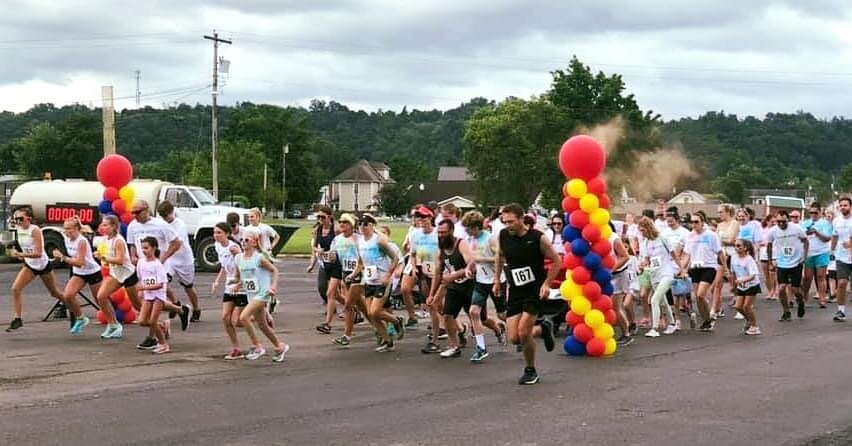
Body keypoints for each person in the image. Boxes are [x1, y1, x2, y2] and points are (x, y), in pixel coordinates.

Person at [493, 203, 561, 385]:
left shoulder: (538, 238)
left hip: (534, 290)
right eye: (504, 222)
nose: (508, 225)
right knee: (514, 338)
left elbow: (556, 261)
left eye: (511, 222)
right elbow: (500, 256)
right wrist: (497, 280)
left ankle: (531, 370)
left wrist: (547, 284)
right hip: (515, 290)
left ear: (522, 219)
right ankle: (543, 329)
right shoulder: (503, 235)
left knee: (524, 332)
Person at [127, 200, 189, 349]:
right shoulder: (132, 226)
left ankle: (152, 336)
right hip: (144, 267)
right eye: (133, 213)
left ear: (147, 210)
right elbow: (132, 244)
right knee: (149, 300)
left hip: (160, 267)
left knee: (151, 298)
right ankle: (179, 310)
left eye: (138, 212)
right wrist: (133, 256)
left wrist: (163, 258)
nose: (135, 216)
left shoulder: (160, 225)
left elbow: (176, 242)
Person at [232, 226, 289, 362]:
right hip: (251, 294)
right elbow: (243, 278)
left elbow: (274, 270)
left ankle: (257, 347)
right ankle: (279, 346)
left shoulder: (259, 258)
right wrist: (236, 284)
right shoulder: (238, 258)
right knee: (263, 325)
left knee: (244, 317)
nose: (243, 242)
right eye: (241, 240)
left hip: (263, 293)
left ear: (254, 242)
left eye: (246, 240)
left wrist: (273, 286)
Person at [6, 207, 67, 332]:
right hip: (30, 265)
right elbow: (23, 248)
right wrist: (16, 252)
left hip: (43, 265)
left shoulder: (35, 230)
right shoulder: (19, 229)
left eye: (20, 218)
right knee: (15, 288)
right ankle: (18, 318)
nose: (18, 221)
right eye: (15, 219)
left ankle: (71, 305)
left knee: (54, 292)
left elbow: (38, 253)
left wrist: (21, 255)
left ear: (28, 218)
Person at [353, 213, 402, 352]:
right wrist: (353, 275)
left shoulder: (379, 241)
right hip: (369, 281)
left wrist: (388, 275)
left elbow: (395, 259)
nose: (362, 227)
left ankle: (396, 321)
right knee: (371, 315)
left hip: (382, 280)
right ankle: (388, 341)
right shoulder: (360, 241)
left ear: (371, 226)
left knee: (375, 312)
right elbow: (361, 262)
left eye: (366, 224)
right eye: (360, 224)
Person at [462, 211, 507, 362]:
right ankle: (481, 348)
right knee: (474, 312)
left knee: (502, 314)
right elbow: (473, 258)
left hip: (497, 280)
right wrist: (469, 267)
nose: (466, 232)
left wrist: (482, 259)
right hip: (481, 281)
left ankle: (517, 333)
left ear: (476, 227)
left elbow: (500, 258)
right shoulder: (471, 239)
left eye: (468, 228)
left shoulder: (490, 239)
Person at [427, 220, 475, 358]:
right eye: (439, 233)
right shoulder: (441, 249)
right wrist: (431, 294)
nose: (441, 235)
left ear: (451, 231)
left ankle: (496, 329)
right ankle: (454, 346)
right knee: (448, 315)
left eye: (444, 232)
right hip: (454, 287)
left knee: (478, 317)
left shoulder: (461, 244)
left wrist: (454, 275)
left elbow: (471, 265)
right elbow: (437, 273)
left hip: (469, 285)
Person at [94, 215, 141, 339]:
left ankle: (161, 324)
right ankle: (114, 325)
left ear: (114, 226)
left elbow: (120, 260)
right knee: (101, 296)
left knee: (138, 306)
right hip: (116, 274)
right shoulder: (105, 239)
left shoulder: (118, 240)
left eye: (106, 225)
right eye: (102, 225)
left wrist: (104, 258)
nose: (103, 227)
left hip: (128, 275)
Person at [53, 217, 102, 335]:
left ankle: (114, 323)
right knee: (68, 295)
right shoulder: (66, 239)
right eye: (65, 229)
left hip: (92, 272)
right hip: (79, 273)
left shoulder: (82, 241)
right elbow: (75, 262)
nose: (66, 231)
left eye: (69, 228)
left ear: (76, 229)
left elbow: (80, 262)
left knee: (100, 300)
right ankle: (81, 317)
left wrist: (62, 257)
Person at [157, 201, 201, 321]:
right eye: (163, 217)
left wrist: (164, 256)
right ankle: (175, 302)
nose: (165, 219)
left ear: (172, 212)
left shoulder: (179, 224)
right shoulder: (161, 224)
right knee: (163, 282)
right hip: (169, 259)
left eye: (167, 216)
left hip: (183, 259)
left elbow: (177, 244)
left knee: (188, 287)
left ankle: (196, 308)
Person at [211, 222, 248, 359]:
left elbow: (244, 263)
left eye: (219, 232)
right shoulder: (217, 246)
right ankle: (236, 348)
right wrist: (217, 280)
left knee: (238, 321)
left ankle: (261, 319)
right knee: (225, 318)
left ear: (227, 234)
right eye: (215, 232)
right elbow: (223, 266)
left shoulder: (233, 248)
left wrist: (239, 281)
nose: (216, 235)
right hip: (229, 285)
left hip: (240, 285)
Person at [637, 217, 677, 338]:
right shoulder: (644, 243)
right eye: (640, 230)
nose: (641, 232)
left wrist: (682, 269)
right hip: (654, 274)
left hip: (667, 273)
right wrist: (643, 264)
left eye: (643, 230)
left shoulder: (662, 239)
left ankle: (654, 328)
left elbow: (674, 254)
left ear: (649, 228)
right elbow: (647, 259)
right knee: (663, 302)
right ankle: (672, 323)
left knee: (654, 300)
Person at [766, 210, 808, 321]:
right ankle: (786, 311)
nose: (780, 224)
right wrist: (771, 261)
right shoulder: (773, 231)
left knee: (795, 289)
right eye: (778, 221)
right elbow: (769, 245)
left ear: (787, 220)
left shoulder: (796, 228)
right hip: (782, 263)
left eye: (783, 221)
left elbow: (805, 241)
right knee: (781, 288)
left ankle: (800, 301)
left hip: (796, 262)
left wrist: (804, 256)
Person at [331, 214, 365, 347]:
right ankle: (380, 328)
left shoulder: (358, 239)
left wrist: (356, 272)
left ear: (351, 225)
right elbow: (334, 257)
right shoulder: (337, 239)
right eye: (340, 222)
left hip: (358, 274)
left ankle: (347, 335)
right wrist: (328, 256)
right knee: (363, 307)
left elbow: (363, 259)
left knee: (348, 305)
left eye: (345, 222)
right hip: (346, 274)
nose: (342, 224)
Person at [309, 207, 345, 335]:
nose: (320, 220)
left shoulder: (336, 229)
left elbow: (345, 242)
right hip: (325, 264)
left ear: (330, 217)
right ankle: (352, 307)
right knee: (335, 294)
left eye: (323, 217)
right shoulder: (317, 230)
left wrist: (334, 252)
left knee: (330, 293)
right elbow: (314, 246)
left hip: (337, 264)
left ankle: (327, 323)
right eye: (318, 217)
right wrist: (313, 261)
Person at [685, 211, 722, 331]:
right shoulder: (690, 236)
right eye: (692, 222)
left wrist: (725, 268)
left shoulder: (711, 235)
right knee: (698, 297)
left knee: (701, 294)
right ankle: (707, 320)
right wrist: (682, 269)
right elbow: (687, 254)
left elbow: (720, 252)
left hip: (709, 267)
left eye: (696, 222)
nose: (694, 224)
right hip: (695, 268)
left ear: (702, 223)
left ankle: (710, 317)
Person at [135, 237, 171, 353]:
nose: (144, 251)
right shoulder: (141, 262)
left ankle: (163, 344)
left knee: (152, 321)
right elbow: (141, 278)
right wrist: (141, 290)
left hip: (158, 296)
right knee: (141, 321)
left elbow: (160, 284)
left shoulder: (157, 265)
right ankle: (162, 326)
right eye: (142, 248)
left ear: (154, 248)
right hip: (148, 295)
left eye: (146, 248)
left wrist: (144, 287)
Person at [800, 202, 832, 308]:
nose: (813, 214)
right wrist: (806, 234)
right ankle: (804, 297)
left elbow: (827, 238)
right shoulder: (805, 223)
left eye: (815, 212)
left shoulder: (825, 223)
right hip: (809, 253)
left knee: (820, 276)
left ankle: (822, 298)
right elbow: (800, 237)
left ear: (820, 212)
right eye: (811, 212)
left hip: (822, 252)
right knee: (807, 277)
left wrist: (816, 232)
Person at [712, 204, 740, 319]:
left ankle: (741, 307)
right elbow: (716, 241)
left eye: (721, 212)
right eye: (718, 212)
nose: (719, 214)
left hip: (732, 255)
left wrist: (721, 241)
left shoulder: (735, 223)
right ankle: (717, 309)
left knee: (735, 284)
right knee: (717, 285)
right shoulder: (719, 225)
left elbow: (732, 239)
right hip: (721, 255)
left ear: (727, 212)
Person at [731, 239, 762, 335]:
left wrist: (743, 280)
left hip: (752, 285)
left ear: (745, 248)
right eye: (735, 246)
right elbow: (733, 272)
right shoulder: (733, 257)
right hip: (741, 285)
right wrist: (734, 285)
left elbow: (753, 275)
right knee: (738, 306)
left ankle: (755, 326)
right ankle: (749, 320)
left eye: (739, 246)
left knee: (747, 306)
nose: (737, 248)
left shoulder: (749, 259)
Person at [830, 197, 852, 322]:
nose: (843, 207)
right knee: (842, 283)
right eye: (841, 205)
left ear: (850, 206)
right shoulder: (837, 221)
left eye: (845, 205)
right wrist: (832, 251)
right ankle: (841, 311)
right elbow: (834, 236)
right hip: (842, 257)